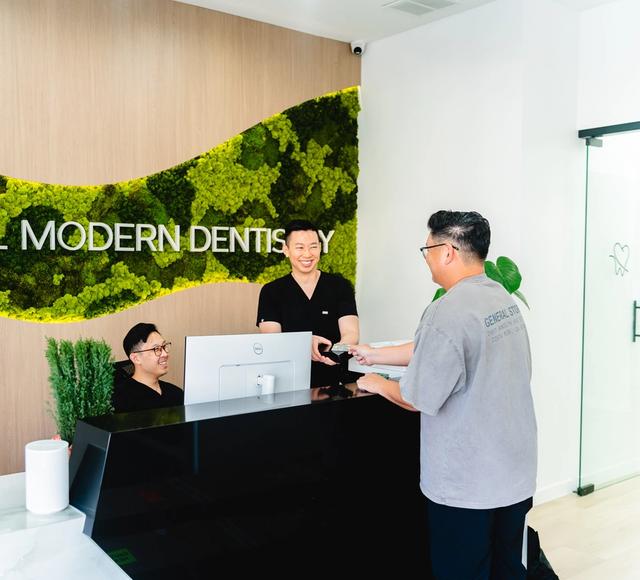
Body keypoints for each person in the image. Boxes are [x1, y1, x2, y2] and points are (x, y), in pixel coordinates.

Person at [350, 210, 537, 580]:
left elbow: (417, 397)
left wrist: (375, 381)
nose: (427, 259)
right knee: (508, 571)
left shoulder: (447, 310)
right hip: (513, 476)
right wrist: (373, 353)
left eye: (428, 249)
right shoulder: (499, 298)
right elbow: (438, 348)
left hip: (468, 488)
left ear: (448, 251)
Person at [256, 219, 359, 387]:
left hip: (336, 380)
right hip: (289, 382)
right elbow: (271, 339)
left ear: (320, 248)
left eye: (313, 246)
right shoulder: (271, 291)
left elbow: (351, 333)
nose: (307, 254)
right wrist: (305, 343)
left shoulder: (340, 285)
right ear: (286, 250)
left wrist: (334, 353)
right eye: (299, 248)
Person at [112, 322, 184, 413]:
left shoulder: (176, 393)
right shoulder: (121, 400)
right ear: (136, 358)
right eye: (156, 349)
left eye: (164, 346)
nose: (165, 354)